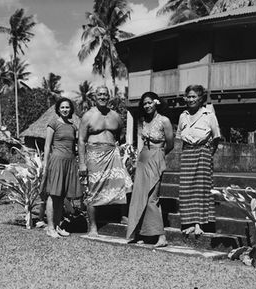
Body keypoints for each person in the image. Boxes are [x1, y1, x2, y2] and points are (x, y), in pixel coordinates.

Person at [78, 86, 133, 237]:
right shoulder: (88, 116)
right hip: (94, 155)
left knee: (125, 183)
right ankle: (93, 227)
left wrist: (113, 146)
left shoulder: (115, 116)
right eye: (100, 94)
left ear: (109, 97)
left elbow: (120, 134)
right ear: (95, 97)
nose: (102, 97)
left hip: (112, 153)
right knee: (93, 189)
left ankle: (123, 215)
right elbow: (81, 140)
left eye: (105, 94)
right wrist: (82, 163)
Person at [126, 92, 174, 248]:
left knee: (152, 197)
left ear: (156, 103)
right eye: (144, 103)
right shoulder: (143, 121)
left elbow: (170, 144)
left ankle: (161, 236)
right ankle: (142, 233)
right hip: (143, 158)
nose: (147, 106)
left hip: (156, 156)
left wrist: (159, 155)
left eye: (149, 103)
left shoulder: (164, 121)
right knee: (140, 197)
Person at [176, 84, 221, 235]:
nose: (191, 99)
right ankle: (188, 222)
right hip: (187, 153)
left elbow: (216, 138)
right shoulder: (183, 116)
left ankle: (199, 225)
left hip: (203, 154)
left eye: (194, 96)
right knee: (186, 189)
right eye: (188, 96)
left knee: (201, 189)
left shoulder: (209, 115)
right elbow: (179, 136)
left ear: (201, 98)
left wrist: (208, 154)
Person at [42, 97, 82, 238]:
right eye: (62, 107)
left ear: (71, 109)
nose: (65, 110)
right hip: (57, 161)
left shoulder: (73, 126)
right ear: (58, 109)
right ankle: (50, 227)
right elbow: (47, 145)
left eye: (67, 107)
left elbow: (76, 146)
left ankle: (57, 226)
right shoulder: (53, 123)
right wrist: (45, 163)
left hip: (70, 162)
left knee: (61, 196)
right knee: (53, 195)